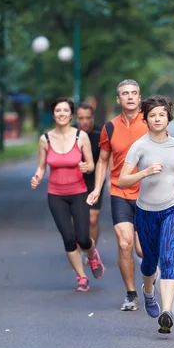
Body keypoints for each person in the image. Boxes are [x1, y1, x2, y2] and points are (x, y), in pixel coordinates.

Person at [118, 94, 174, 334]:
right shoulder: (139, 146)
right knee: (149, 262)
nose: (157, 119)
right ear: (146, 119)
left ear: (168, 118)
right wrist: (145, 172)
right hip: (146, 211)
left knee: (168, 258)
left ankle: (166, 312)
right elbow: (122, 180)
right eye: (152, 115)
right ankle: (148, 293)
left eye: (162, 114)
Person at [87, 79, 154, 311]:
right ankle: (131, 294)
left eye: (134, 93)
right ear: (118, 99)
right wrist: (97, 189)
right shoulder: (110, 127)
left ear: (140, 96)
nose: (130, 97)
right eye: (125, 93)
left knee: (141, 249)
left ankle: (147, 284)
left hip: (148, 194)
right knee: (124, 244)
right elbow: (102, 160)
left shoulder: (151, 122)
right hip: (120, 192)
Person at [30, 97, 105, 292]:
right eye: (57, 111)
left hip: (79, 193)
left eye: (65, 111)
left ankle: (91, 254)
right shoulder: (45, 139)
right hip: (56, 195)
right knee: (69, 238)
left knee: (83, 237)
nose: (61, 114)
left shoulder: (81, 137)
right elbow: (41, 167)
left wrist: (86, 166)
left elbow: (91, 164)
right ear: (53, 114)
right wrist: (37, 177)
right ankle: (81, 277)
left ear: (71, 115)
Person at [75, 102, 104, 263]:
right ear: (76, 118)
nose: (84, 122)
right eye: (81, 118)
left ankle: (91, 252)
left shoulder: (101, 133)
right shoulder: (70, 133)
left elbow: (106, 159)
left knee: (93, 219)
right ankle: (77, 249)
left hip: (95, 180)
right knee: (76, 219)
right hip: (74, 180)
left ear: (92, 117)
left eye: (88, 118)